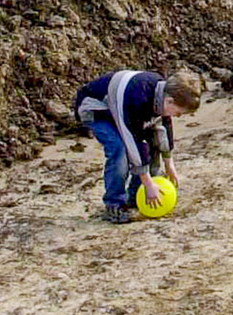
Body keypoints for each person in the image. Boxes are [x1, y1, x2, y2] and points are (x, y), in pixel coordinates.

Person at [73, 68, 203, 224]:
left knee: (151, 142)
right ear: (169, 101)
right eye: (178, 113)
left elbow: (163, 128)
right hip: (97, 109)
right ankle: (114, 206)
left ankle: (135, 197)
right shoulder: (137, 98)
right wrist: (148, 182)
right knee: (119, 150)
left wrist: (169, 164)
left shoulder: (162, 92)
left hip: (124, 112)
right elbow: (132, 140)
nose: (177, 116)